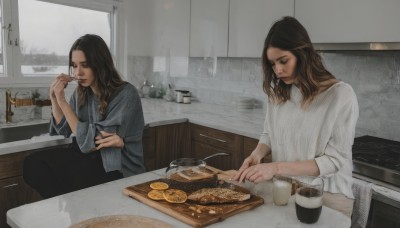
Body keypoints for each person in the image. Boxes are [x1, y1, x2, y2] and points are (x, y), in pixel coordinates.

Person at [233, 16, 359, 218]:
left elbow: (334, 161)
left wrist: (274, 168)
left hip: (327, 198)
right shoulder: (279, 93)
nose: (278, 70)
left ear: (303, 54)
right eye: (273, 64)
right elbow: (269, 133)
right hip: (286, 190)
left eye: (283, 61)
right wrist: (257, 154)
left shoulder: (340, 95)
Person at [23, 34, 145, 199]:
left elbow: (95, 141)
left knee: (64, 176)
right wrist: (54, 98)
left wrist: (63, 102)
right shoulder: (82, 92)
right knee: (33, 165)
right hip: (89, 157)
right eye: (74, 65)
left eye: (85, 65)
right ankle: (74, 203)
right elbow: (64, 128)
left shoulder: (126, 94)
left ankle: (76, 205)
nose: (78, 72)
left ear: (100, 64)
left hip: (115, 166)